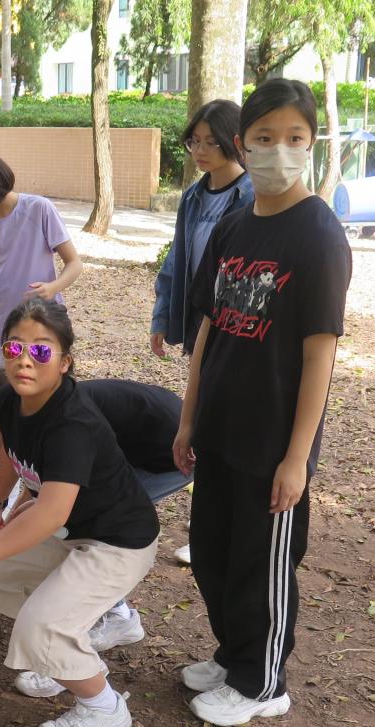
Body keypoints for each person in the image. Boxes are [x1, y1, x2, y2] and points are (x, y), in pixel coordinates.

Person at [173, 78, 351, 727]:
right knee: (213, 554)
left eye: (294, 138)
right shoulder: (233, 227)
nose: (279, 150)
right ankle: (234, 655)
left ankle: (262, 681)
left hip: (272, 440)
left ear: (311, 143)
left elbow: (319, 353)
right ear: (242, 144)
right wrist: (188, 418)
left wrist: (297, 458)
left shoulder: (318, 234)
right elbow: (209, 329)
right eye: (265, 137)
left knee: (261, 563)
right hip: (219, 428)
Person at [0, 299, 160, 727]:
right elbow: (9, 449)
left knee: (36, 625)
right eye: (14, 347)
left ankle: (105, 708)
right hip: (76, 532)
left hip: (119, 543)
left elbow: (52, 513)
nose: (24, 359)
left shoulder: (72, 423)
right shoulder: (9, 399)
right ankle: (65, 654)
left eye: (41, 350)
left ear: (64, 362)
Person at [0, 365, 185, 649]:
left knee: (101, 526)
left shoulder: (59, 422)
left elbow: (53, 498)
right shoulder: (19, 414)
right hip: (139, 436)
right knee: (70, 521)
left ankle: (117, 617)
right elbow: (26, 464)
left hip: (170, 448)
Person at [151, 99, 252, 566]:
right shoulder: (194, 196)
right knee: (204, 424)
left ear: (235, 141)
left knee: (227, 426)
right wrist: (161, 317)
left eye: (212, 141)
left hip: (241, 329)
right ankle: (209, 530)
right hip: (200, 324)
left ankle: (226, 530)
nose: (201, 151)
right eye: (194, 141)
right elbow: (177, 259)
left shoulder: (251, 194)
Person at [0, 141, 82, 370]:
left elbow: (74, 263)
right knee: (2, 389)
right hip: (2, 332)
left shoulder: (39, 208)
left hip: (45, 324)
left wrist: (53, 287)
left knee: (50, 388)